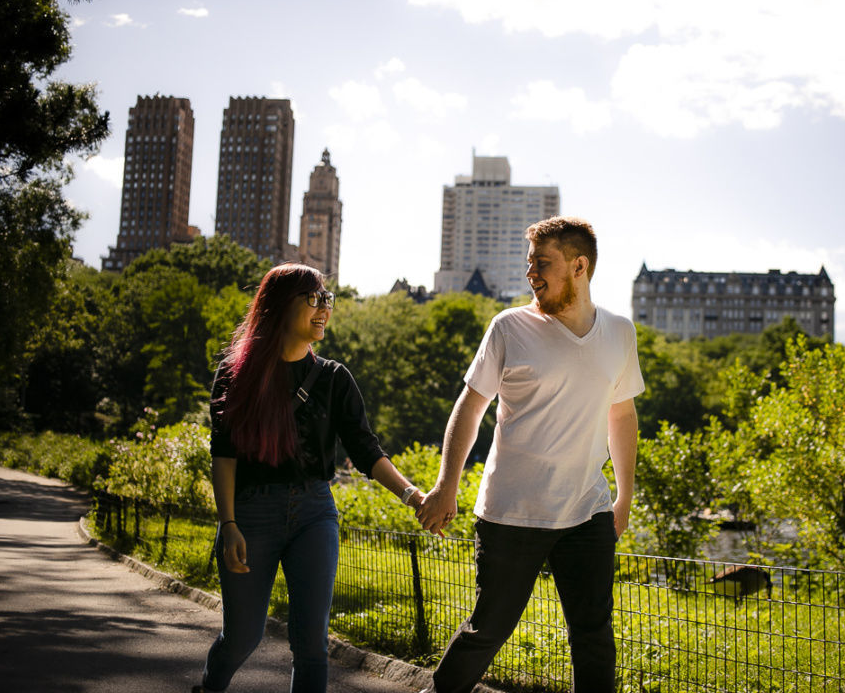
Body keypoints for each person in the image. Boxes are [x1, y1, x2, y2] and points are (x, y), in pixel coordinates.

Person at [416, 217, 644, 693]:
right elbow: (470, 407)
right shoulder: (509, 327)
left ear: (579, 267)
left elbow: (621, 417)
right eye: (529, 264)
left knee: (595, 638)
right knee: (488, 631)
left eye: (543, 263)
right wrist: (446, 486)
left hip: (587, 513)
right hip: (511, 514)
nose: (531, 273)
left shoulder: (620, 333)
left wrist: (623, 496)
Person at [193, 263, 424, 693]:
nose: (323, 309)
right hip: (251, 513)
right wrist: (228, 525)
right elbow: (223, 456)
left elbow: (366, 450)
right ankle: (209, 687)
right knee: (243, 636)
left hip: (315, 513)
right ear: (281, 305)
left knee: (312, 643)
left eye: (327, 300)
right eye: (313, 299)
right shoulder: (234, 374)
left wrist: (412, 495)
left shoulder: (334, 379)